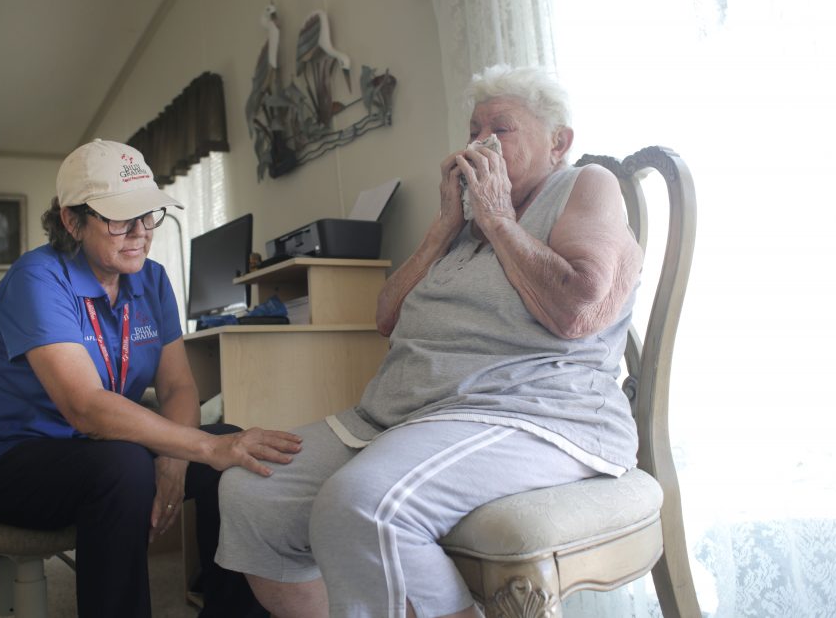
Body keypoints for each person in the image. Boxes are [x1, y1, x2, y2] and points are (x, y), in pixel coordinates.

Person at [215, 65, 644, 618]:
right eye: (473, 129)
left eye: (502, 128)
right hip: (405, 413)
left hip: (527, 410)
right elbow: (386, 316)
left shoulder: (584, 185)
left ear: (558, 142)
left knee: (362, 505)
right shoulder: (463, 223)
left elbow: (578, 310)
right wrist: (444, 225)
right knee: (253, 492)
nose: (481, 142)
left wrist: (495, 219)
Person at [0, 139, 302, 618]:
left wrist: (177, 461)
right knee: (130, 465)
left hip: (98, 449)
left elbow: (177, 386)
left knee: (236, 453)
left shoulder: (152, 280)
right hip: (2, 459)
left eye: (149, 215)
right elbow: (85, 408)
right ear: (71, 220)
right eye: (119, 219)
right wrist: (199, 447)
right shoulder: (37, 278)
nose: (139, 233)